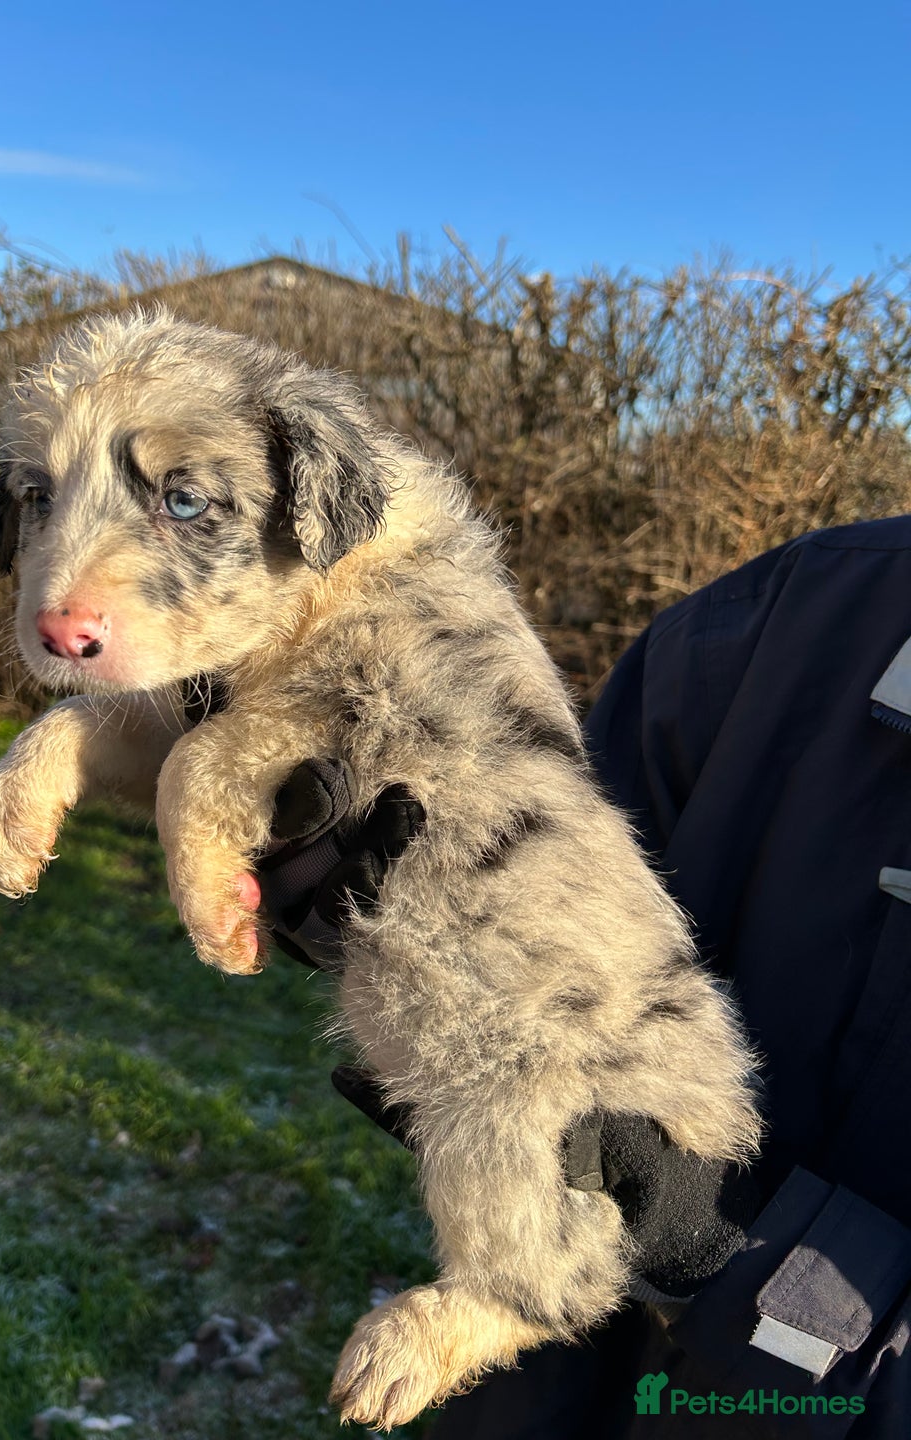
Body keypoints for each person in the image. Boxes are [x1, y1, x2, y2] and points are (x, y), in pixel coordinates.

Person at [256, 514, 911, 1437]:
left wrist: (727, 1253)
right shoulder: (767, 627)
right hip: (550, 1403)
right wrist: (408, 932)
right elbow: (542, 882)